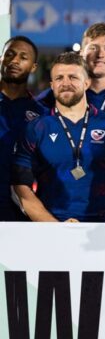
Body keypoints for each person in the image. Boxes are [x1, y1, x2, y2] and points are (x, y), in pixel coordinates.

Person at [12, 51, 105, 222]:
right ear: (52, 85)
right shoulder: (36, 129)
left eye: (73, 77)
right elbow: (21, 188)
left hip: (100, 229)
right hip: (50, 229)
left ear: (87, 83)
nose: (66, 83)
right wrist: (56, 228)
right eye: (59, 78)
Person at [0, 36, 46, 220]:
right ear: (1, 59)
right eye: (9, 54)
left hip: (22, 216)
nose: (14, 60)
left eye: (23, 57)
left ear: (33, 67)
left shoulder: (42, 115)